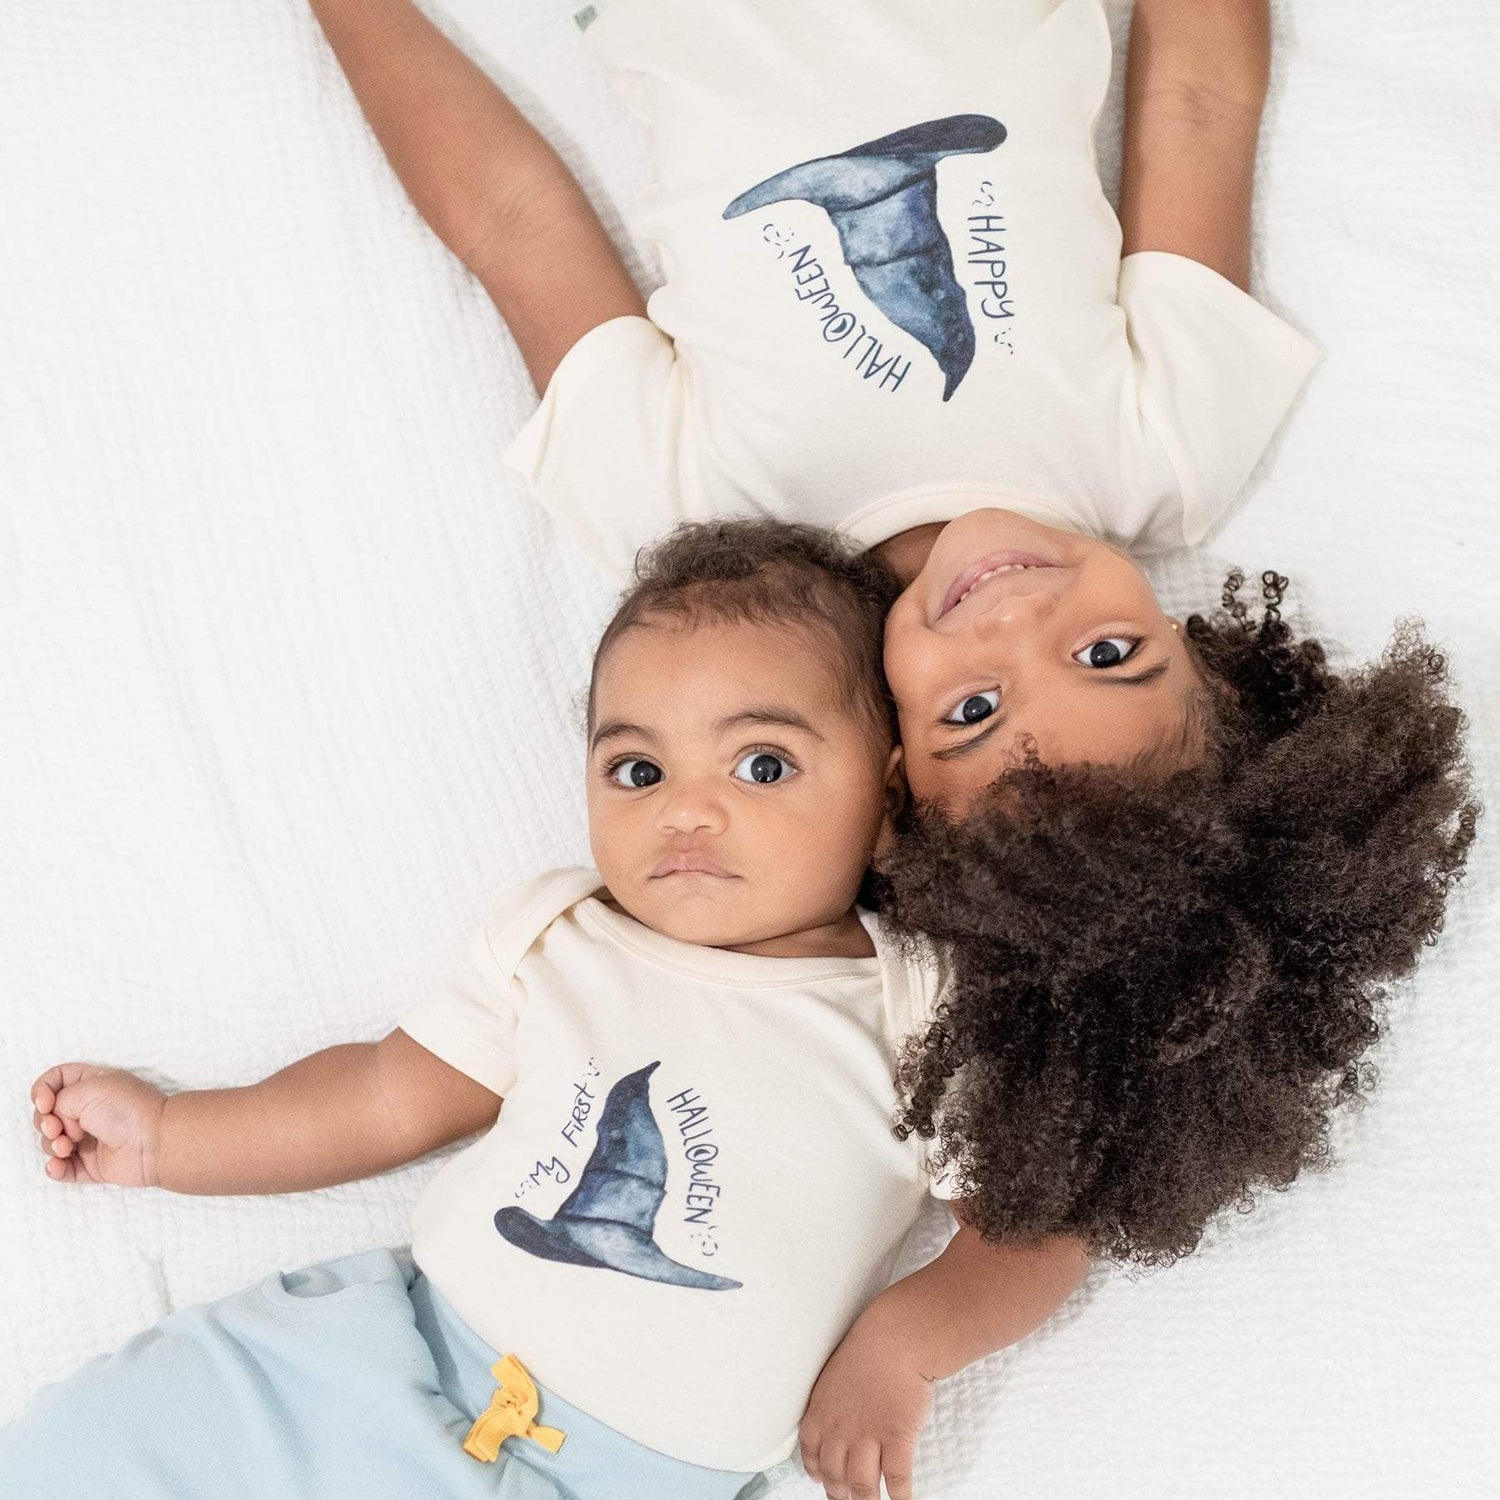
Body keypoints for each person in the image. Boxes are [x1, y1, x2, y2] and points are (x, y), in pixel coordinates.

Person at [294, 0, 1476, 1270]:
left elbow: (510, 218)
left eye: (973, 712)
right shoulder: (1172, 446)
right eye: (1106, 657)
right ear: (1213, 665)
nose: (1014, 620)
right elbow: (1197, 98)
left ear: (896, 784)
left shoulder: (695, 539)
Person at [10, 523, 1089, 1500]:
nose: (685, 809)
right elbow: (386, 1095)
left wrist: (902, 1347)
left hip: (628, 1478)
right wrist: (174, 1136)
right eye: (637, 768)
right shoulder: (563, 937)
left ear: (887, 797)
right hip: (377, 1364)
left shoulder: (919, 1007)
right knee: (91, 1446)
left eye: (762, 765)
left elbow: (1036, 1233)